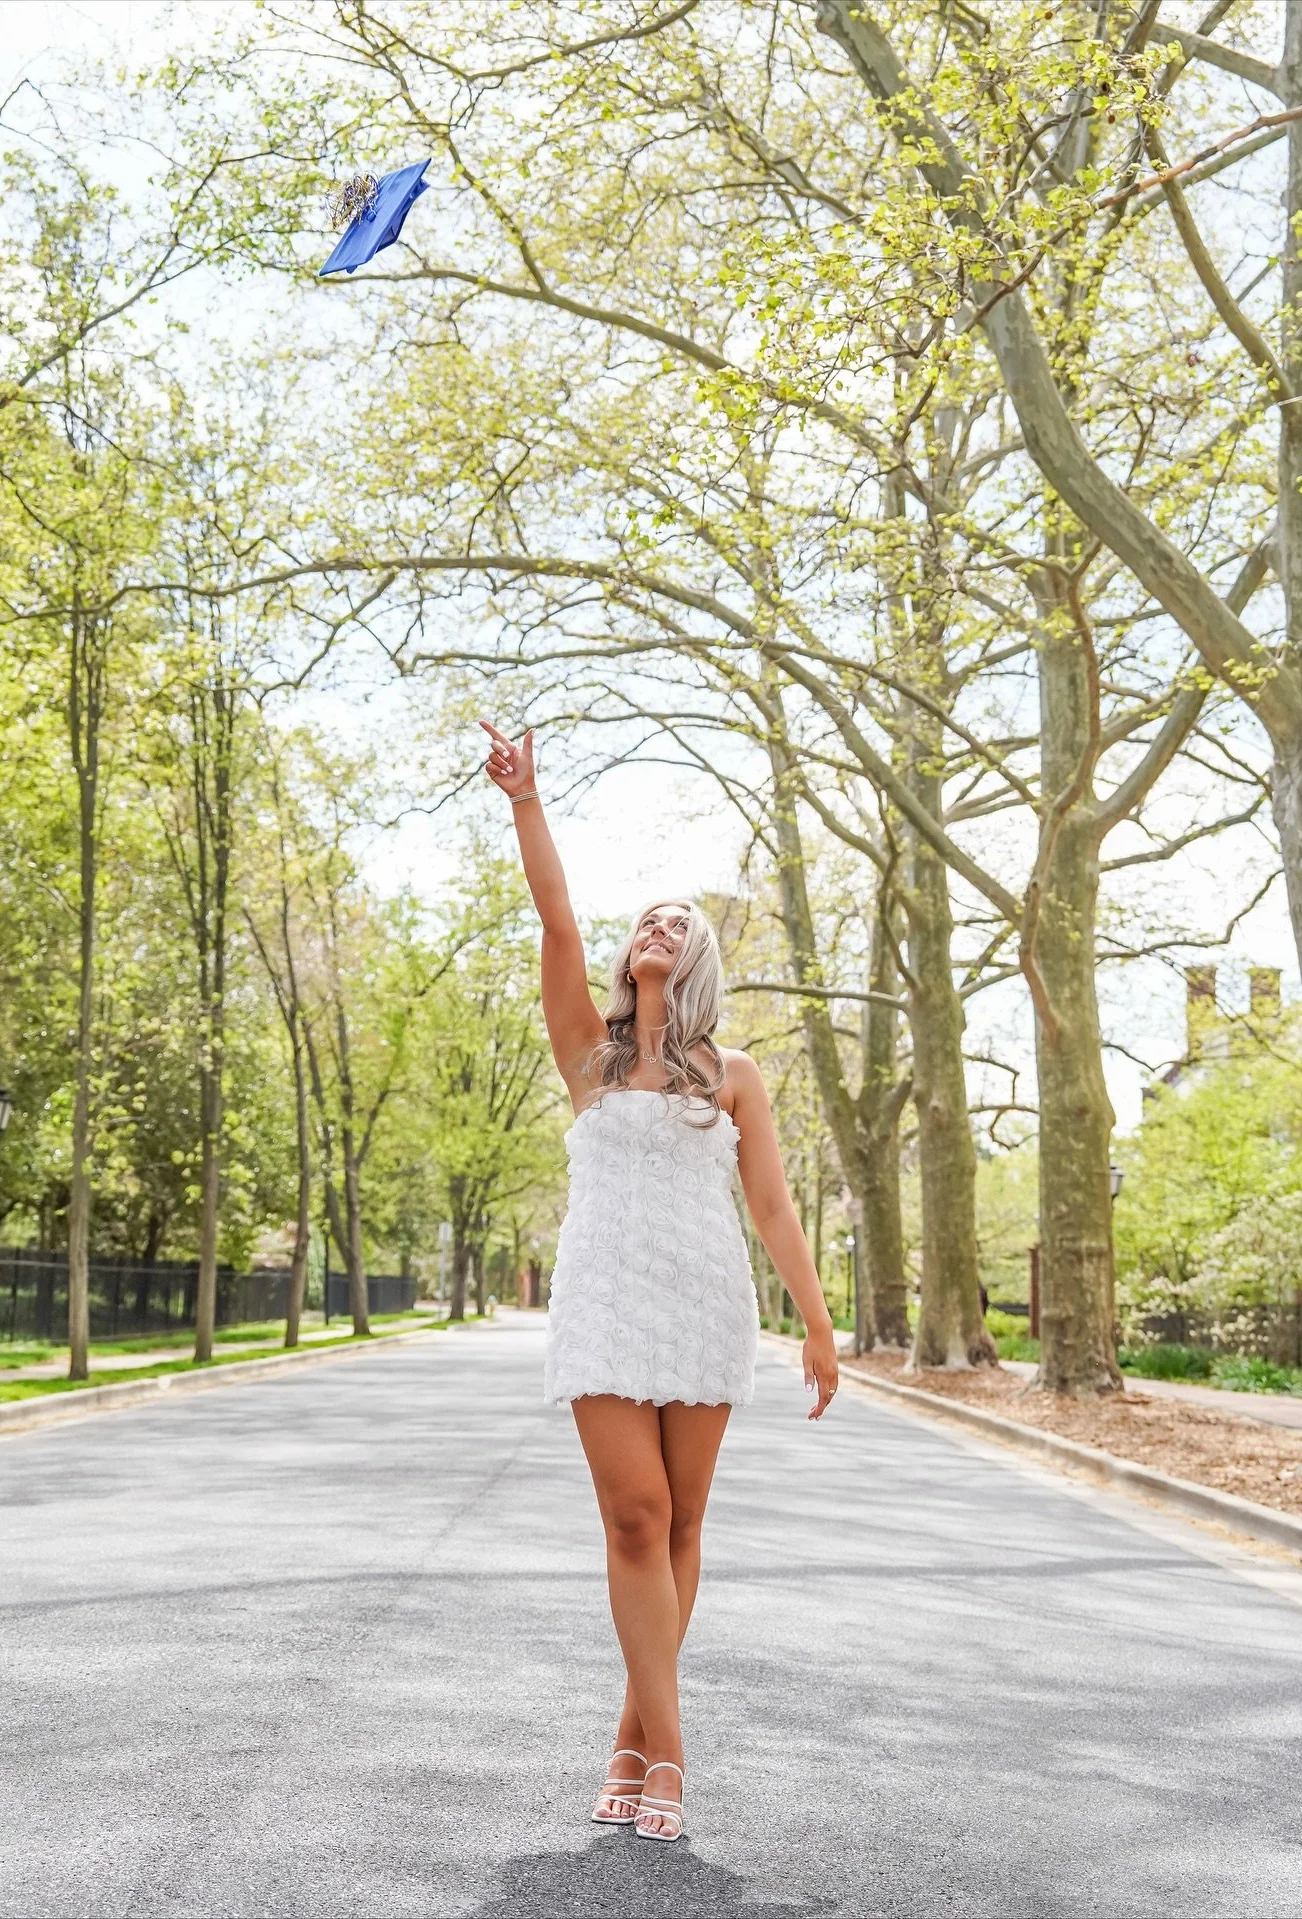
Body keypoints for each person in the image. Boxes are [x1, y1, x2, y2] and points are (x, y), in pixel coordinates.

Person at [481, 720, 840, 1845]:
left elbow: (773, 1207)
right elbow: (551, 918)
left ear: (696, 965)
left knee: (685, 1519)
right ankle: (673, 1754)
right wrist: (526, 801)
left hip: (704, 1304)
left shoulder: (732, 1075)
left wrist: (819, 1327)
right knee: (635, 1514)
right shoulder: (586, 1052)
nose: (654, 926)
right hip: (601, 1302)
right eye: (647, 916)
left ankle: (633, 1736)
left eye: (675, 924)